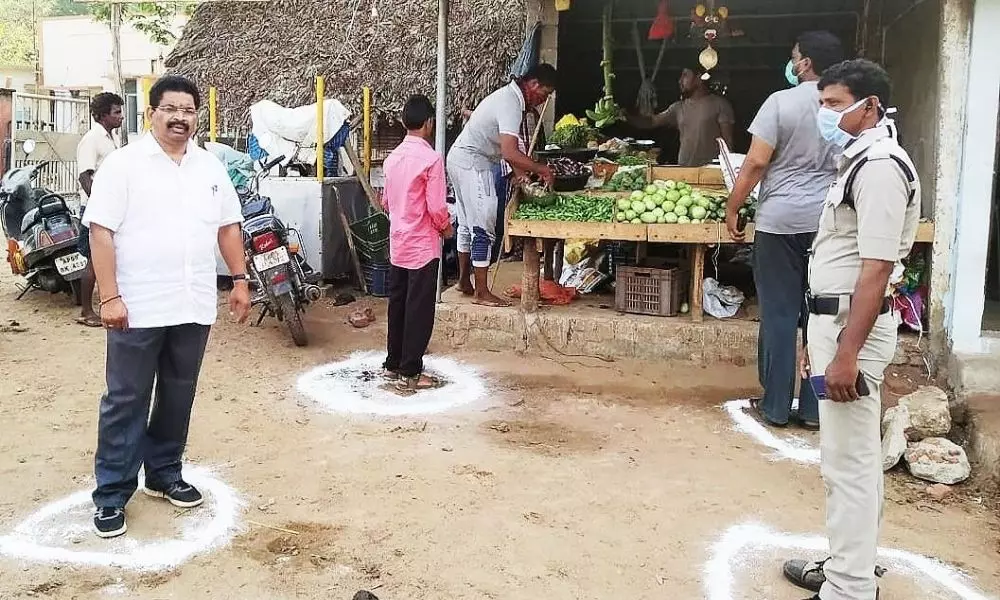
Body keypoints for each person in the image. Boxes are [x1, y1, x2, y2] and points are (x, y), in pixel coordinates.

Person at [83, 75, 251, 538]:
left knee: (179, 392)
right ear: (151, 113)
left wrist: (239, 280)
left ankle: (163, 473)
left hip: (192, 303)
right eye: (171, 109)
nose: (180, 118)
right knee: (126, 398)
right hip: (137, 306)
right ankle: (112, 492)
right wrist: (109, 296)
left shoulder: (210, 167)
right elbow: (100, 232)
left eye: (189, 110)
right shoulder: (123, 165)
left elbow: (229, 226)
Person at [781, 59, 920, 600]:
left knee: (849, 463)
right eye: (822, 104)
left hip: (850, 329)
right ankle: (849, 566)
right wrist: (816, 337)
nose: (826, 114)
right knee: (852, 456)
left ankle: (849, 587)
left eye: (836, 104)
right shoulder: (859, 161)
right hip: (834, 323)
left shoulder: (880, 167)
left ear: (871, 107)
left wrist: (846, 353)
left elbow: (876, 268)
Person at [725, 31, 845, 430]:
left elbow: (757, 162)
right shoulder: (846, 106)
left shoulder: (780, 102)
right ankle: (813, 409)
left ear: (805, 62)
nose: (792, 63)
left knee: (778, 313)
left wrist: (733, 206)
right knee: (820, 314)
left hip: (779, 223)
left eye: (794, 57)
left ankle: (775, 405)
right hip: (827, 223)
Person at [448, 63, 556, 307]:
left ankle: (464, 282)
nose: (543, 100)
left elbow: (508, 148)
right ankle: (482, 292)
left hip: (459, 158)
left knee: (465, 224)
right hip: (474, 163)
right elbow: (509, 152)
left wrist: (521, 175)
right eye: (545, 93)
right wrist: (542, 169)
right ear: (534, 84)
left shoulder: (509, 97)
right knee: (484, 227)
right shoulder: (511, 103)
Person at [381, 95, 453, 391]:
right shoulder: (431, 160)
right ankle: (410, 371)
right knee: (419, 309)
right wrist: (446, 229)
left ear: (403, 122)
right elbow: (436, 208)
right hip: (422, 244)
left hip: (398, 242)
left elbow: (386, 202)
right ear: (429, 123)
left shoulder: (391, 159)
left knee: (398, 304)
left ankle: (393, 363)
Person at [75, 92, 124, 328]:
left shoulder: (112, 138)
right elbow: (85, 176)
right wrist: (99, 204)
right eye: (117, 112)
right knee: (94, 261)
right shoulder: (92, 139)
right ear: (104, 115)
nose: (121, 116)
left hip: (110, 208)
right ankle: (86, 311)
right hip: (95, 209)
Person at [630, 66, 735, 166]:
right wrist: (627, 117)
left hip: (710, 170)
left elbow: (728, 142)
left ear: (698, 78)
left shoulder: (720, 105)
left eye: (685, 75)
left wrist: (728, 168)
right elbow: (652, 122)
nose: (680, 81)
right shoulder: (678, 107)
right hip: (684, 168)